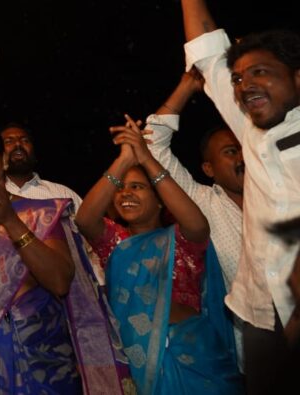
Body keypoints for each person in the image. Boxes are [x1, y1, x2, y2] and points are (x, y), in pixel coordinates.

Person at [168, 0, 300, 390]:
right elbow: (210, 57)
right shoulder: (251, 127)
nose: (244, 86)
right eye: (240, 79)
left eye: (261, 72)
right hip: (260, 314)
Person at [0, 126, 129, 394]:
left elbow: (60, 281)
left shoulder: (42, 213)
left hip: (46, 359)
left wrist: (11, 221)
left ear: (3, 159)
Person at [75, 116, 241, 394]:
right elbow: (84, 219)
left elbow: (199, 225)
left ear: (160, 199)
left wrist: (146, 158)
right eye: (120, 188)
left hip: (196, 360)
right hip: (138, 362)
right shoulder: (115, 243)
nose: (125, 193)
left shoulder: (182, 239)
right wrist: (124, 159)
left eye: (137, 187)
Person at [145, 68, 245, 362]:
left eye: (244, 148)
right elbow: (151, 145)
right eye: (231, 151)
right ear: (208, 169)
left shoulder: (283, 191)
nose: (242, 157)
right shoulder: (201, 202)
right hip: (245, 349)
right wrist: (187, 86)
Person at [0, 50, 82, 208]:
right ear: (0, 156)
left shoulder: (62, 194)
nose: (18, 144)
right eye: (8, 141)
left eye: (24, 140)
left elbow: (90, 222)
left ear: (35, 152)